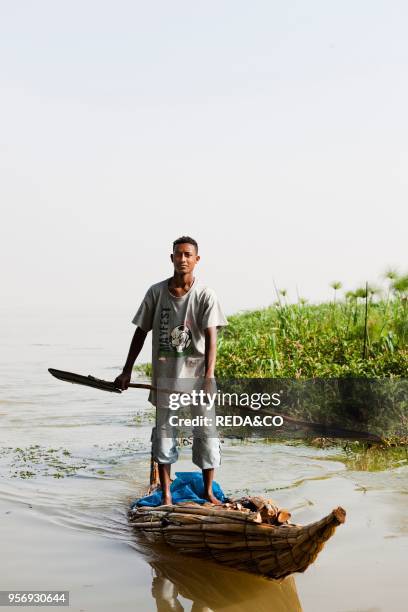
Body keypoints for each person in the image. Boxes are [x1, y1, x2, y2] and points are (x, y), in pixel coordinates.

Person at [114, 236, 228, 505]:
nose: (183, 259)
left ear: (196, 259)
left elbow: (212, 337)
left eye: (188, 254)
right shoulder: (156, 292)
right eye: (178, 254)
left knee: (207, 435)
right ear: (172, 258)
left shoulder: (205, 295)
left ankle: (209, 492)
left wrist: (209, 376)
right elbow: (140, 332)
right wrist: (126, 370)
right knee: (164, 436)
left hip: (199, 380)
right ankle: (165, 494)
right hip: (166, 380)